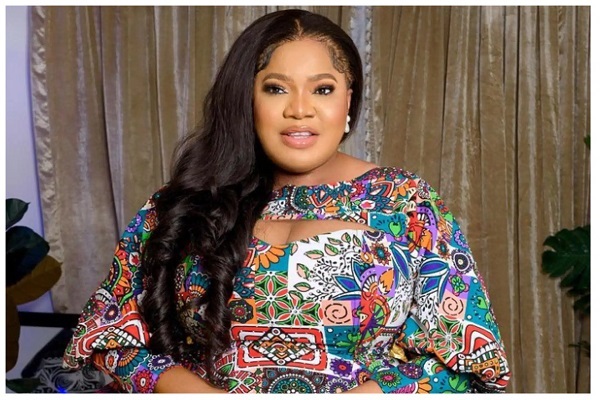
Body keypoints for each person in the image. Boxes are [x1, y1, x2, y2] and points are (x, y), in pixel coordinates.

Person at [63, 9, 510, 393]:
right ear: (247, 98)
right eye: (276, 88)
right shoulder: (184, 203)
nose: (299, 109)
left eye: (323, 89)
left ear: (349, 99)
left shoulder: (405, 202)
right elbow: (110, 338)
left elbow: (469, 362)